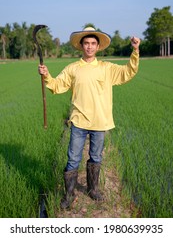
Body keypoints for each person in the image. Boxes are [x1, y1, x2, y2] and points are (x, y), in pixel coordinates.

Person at [38, 26, 140, 209]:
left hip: (100, 122)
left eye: (93, 43)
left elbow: (128, 72)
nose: (90, 47)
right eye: (86, 43)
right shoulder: (73, 68)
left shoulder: (107, 68)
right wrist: (46, 76)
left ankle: (93, 190)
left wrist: (135, 51)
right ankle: (69, 195)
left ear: (98, 47)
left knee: (96, 157)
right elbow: (57, 85)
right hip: (78, 121)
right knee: (73, 158)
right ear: (81, 46)